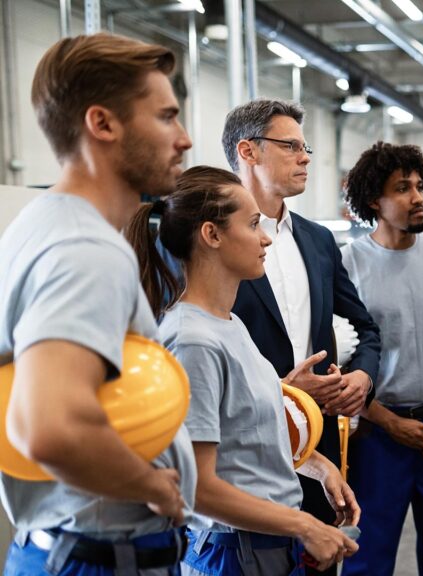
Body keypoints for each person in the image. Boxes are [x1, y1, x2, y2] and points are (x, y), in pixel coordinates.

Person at [0, 34, 195, 574]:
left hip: (61, 547)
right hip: (97, 558)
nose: (184, 139)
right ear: (103, 125)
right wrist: (152, 485)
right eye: (166, 117)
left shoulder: (38, 226)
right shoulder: (87, 250)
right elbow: (50, 427)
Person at [127, 166, 360, 574]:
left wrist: (319, 468)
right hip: (233, 549)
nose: (266, 237)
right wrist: (305, 525)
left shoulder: (229, 325)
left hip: (264, 541)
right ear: (212, 235)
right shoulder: (193, 340)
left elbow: (247, 436)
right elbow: (196, 486)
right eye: (253, 224)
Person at [222, 98, 381, 575]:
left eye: (304, 146)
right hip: (244, 455)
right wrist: (287, 394)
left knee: (321, 561)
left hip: (319, 449)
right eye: (290, 146)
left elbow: (367, 329)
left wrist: (362, 381)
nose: (306, 157)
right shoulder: (214, 240)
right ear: (248, 152)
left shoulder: (317, 240)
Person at [339, 142, 423, 576]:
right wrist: (386, 420)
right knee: (369, 557)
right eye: (402, 188)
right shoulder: (347, 265)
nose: (417, 197)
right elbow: (341, 358)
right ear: (373, 202)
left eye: (419, 186)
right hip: (379, 437)